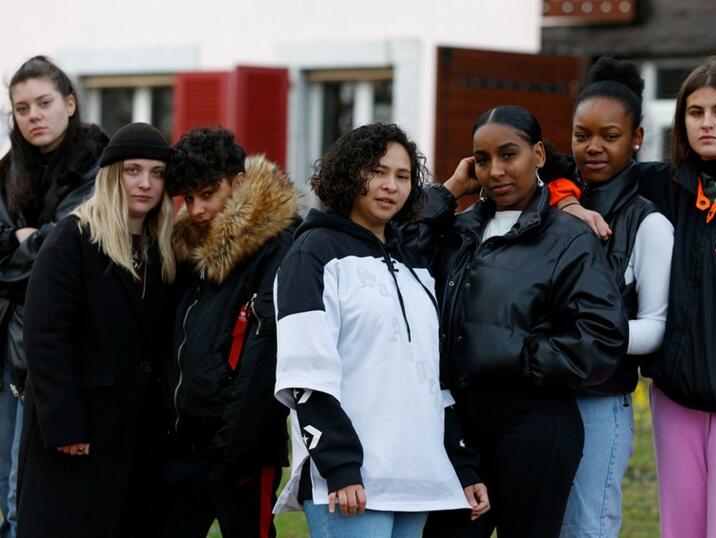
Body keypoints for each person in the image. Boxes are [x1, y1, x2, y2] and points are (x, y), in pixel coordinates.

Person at [550, 56, 716, 537]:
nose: (707, 122)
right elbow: (562, 162)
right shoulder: (661, 184)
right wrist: (566, 199)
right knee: (681, 529)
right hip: (675, 397)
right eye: (694, 112)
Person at [418, 105, 628, 538]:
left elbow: (604, 336)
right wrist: (451, 188)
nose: (495, 170)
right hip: (454, 428)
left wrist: (523, 356)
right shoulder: (457, 231)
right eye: (482, 159)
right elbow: (397, 245)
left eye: (508, 155)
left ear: (537, 154)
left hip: (533, 422)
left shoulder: (569, 238)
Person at [273, 123, 489, 538]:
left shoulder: (413, 263)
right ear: (349, 174)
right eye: (377, 171)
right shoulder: (312, 254)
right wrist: (340, 466)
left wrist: (462, 465)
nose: (390, 186)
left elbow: (432, 378)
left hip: (419, 481)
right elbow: (305, 376)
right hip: (352, 483)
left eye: (403, 176)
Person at [16, 122, 175, 538]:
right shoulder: (73, 238)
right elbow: (45, 336)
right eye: (133, 171)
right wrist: (65, 425)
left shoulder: (161, 248)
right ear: (111, 176)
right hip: (77, 432)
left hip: (132, 433)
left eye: (157, 173)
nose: (145, 183)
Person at [161, 127, 300, 538]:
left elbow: (265, 355)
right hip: (181, 445)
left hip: (241, 452)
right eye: (188, 199)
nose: (197, 209)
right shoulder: (187, 248)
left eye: (207, 193)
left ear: (237, 183)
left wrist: (236, 449)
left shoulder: (278, 246)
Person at [556, 57, 674, 538]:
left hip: (600, 401)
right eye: (583, 135)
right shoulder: (553, 205)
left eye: (610, 135)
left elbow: (654, 327)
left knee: (588, 527)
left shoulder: (649, 223)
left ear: (637, 139)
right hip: (542, 397)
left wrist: (577, 339)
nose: (594, 147)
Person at [0, 55, 108, 537]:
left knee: (31, 493)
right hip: (7, 340)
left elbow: (61, 254)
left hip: (58, 349)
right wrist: (22, 241)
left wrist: (27, 242)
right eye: (21, 108)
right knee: (6, 485)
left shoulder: (98, 169)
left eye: (43, 103)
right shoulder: (7, 172)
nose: (33, 116)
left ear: (69, 103)